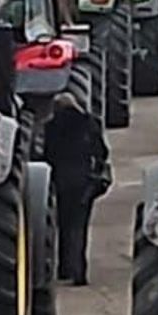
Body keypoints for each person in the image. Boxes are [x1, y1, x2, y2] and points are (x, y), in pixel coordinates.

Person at [39, 92, 110, 286]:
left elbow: (47, 153)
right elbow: (102, 151)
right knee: (79, 227)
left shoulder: (51, 126)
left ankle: (63, 268)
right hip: (84, 181)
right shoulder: (89, 123)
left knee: (62, 224)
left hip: (61, 180)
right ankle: (79, 272)